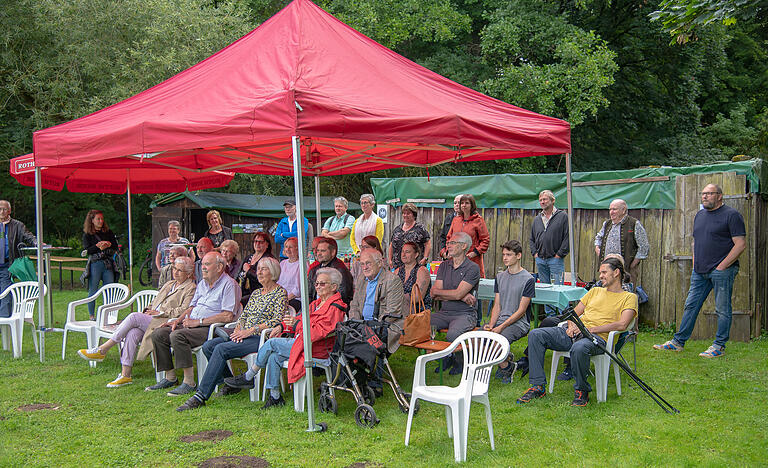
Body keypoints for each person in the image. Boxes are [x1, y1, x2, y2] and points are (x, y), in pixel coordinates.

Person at [517, 257, 638, 406]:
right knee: (536, 335)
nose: (600, 276)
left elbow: (622, 324)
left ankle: (582, 390)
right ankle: (537, 386)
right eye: (600, 273)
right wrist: (571, 325)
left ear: (617, 272)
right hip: (575, 332)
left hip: (597, 338)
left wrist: (592, 329)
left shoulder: (629, 297)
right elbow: (574, 313)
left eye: (604, 272)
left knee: (579, 348)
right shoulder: (595, 291)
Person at [224, 268, 346, 409]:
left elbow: (318, 333)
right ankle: (275, 396)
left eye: (322, 284)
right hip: (302, 343)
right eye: (316, 283)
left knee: (272, 343)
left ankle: (249, 376)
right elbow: (298, 320)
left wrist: (297, 324)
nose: (317, 286)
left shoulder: (335, 308)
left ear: (334, 287)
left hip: (316, 349)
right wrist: (282, 327)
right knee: (273, 357)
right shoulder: (316, 304)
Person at [176, 257, 287, 411]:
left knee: (221, 349)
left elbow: (277, 320)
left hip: (261, 338)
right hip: (243, 334)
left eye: (264, 269)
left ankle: (200, 396)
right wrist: (238, 329)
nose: (259, 272)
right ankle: (231, 382)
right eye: (259, 269)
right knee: (208, 346)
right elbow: (244, 315)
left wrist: (249, 331)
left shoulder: (280, 293)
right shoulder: (256, 293)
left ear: (273, 272)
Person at [653, 184, 746, 358]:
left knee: (722, 308)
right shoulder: (700, 215)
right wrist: (696, 262)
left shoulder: (732, 215)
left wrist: (722, 266)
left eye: (709, 193)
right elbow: (695, 241)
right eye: (703, 193)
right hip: (700, 271)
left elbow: (740, 244)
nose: (705, 196)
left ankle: (719, 346)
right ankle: (677, 342)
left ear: (719, 196)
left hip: (722, 271)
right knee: (691, 305)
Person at [76, 257, 197, 387]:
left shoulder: (191, 288)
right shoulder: (169, 284)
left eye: (180, 270)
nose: (175, 272)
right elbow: (154, 302)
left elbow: (184, 310)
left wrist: (161, 313)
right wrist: (148, 310)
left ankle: (103, 349)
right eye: (174, 268)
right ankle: (125, 375)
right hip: (151, 318)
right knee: (133, 333)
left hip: (165, 321)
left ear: (189, 273)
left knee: (134, 317)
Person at [149, 251, 240, 396]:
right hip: (191, 324)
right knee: (159, 334)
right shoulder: (203, 284)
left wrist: (199, 322)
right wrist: (176, 321)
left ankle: (189, 382)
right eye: (202, 264)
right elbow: (191, 307)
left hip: (211, 328)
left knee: (178, 336)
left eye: (207, 264)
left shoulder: (229, 285)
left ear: (219, 267)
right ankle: (171, 377)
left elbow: (228, 316)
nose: (203, 267)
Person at [484, 240, 535, 383]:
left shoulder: (528, 279)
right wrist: (492, 325)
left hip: (519, 323)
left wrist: (500, 328)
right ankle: (507, 360)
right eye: (503, 255)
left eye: (509, 254)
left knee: (494, 345)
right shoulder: (500, 277)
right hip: (500, 320)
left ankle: (507, 367)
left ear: (518, 256)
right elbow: (497, 305)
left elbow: (521, 311)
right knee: (478, 340)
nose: (505, 258)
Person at [430, 232, 481, 374]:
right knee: (421, 325)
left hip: (464, 314)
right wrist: (462, 296)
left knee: (453, 335)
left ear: (464, 246)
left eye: (453, 243)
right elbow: (434, 292)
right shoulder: (444, 266)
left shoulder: (472, 268)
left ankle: (460, 361)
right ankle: (444, 357)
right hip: (444, 312)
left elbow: (451, 293)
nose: (448, 245)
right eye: (448, 243)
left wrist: (458, 294)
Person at [348, 249, 407, 354]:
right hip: (362, 324)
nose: (365, 267)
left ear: (379, 263)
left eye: (368, 263)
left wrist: (370, 328)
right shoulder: (362, 278)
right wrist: (356, 323)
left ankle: (371, 369)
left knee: (361, 348)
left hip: (383, 326)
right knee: (343, 341)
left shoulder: (392, 280)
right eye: (362, 264)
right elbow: (354, 304)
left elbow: (393, 312)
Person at [529, 189, 569, 316]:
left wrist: (559, 255)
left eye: (545, 199)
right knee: (546, 290)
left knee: (558, 290)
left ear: (553, 200)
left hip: (555, 260)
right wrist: (535, 254)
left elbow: (567, 237)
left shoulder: (562, 216)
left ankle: (564, 317)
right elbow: (531, 239)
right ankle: (550, 317)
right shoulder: (537, 219)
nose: (542, 202)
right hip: (540, 259)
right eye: (540, 200)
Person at [594, 199, 650, 280]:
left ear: (623, 210)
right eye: (610, 209)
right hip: (607, 269)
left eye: (614, 209)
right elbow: (598, 237)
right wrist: (597, 248)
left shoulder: (634, 224)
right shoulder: (607, 224)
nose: (611, 212)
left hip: (626, 270)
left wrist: (633, 264)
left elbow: (644, 246)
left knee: (625, 291)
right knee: (607, 291)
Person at [0, 200, 37, 318]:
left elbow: (28, 236)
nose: (1, 212)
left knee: (5, 293)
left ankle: (5, 323)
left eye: (4, 209)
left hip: (7, 265)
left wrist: (37, 243)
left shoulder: (17, 225)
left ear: (9, 211)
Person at [82, 209, 119, 320]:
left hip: (108, 263)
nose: (100, 221)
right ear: (92, 220)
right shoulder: (87, 235)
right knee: (93, 289)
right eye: (98, 219)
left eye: (102, 218)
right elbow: (87, 250)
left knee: (110, 289)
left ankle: (108, 314)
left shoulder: (108, 232)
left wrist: (107, 245)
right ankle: (92, 315)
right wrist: (98, 246)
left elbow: (115, 246)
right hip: (95, 264)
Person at [445, 194, 489, 277]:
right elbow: (449, 237)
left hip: (472, 259)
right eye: (462, 203)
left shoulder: (478, 220)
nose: (464, 205)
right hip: (456, 260)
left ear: (472, 205)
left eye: (467, 203)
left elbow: (485, 240)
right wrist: (449, 250)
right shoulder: (456, 220)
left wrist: (475, 252)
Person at [307, 237, 354, 305]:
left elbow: (343, 296)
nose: (319, 253)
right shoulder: (314, 270)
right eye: (318, 250)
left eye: (323, 251)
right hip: (314, 308)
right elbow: (309, 295)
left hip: (333, 309)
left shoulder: (341, 271)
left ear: (333, 252)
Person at [388, 203, 431, 270]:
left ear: (414, 215)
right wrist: (390, 259)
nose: (405, 215)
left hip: (415, 266)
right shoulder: (397, 229)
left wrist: (425, 258)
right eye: (404, 213)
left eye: (408, 213)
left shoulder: (420, 229)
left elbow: (427, 243)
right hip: (398, 266)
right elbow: (391, 245)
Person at [237, 231, 276, 304]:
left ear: (267, 244)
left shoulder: (268, 259)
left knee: (239, 303)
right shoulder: (248, 258)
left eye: (261, 242)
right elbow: (238, 276)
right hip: (243, 292)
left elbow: (265, 279)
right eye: (255, 241)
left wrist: (248, 271)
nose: (257, 244)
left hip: (261, 293)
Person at [394, 242, 431, 311]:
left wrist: (395, 298)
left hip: (417, 314)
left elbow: (417, 298)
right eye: (402, 251)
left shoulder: (422, 271)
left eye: (407, 252)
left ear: (416, 255)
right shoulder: (397, 271)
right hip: (399, 310)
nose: (403, 255)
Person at [277, 237, 303, 312]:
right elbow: (277, 283)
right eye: (286, 247)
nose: (288, 249)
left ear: (297, 249)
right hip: (282, 298)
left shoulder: (301, 264)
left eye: (291, 247)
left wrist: (285, 299)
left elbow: (298, 290)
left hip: (295, 299)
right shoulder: (282, 263)